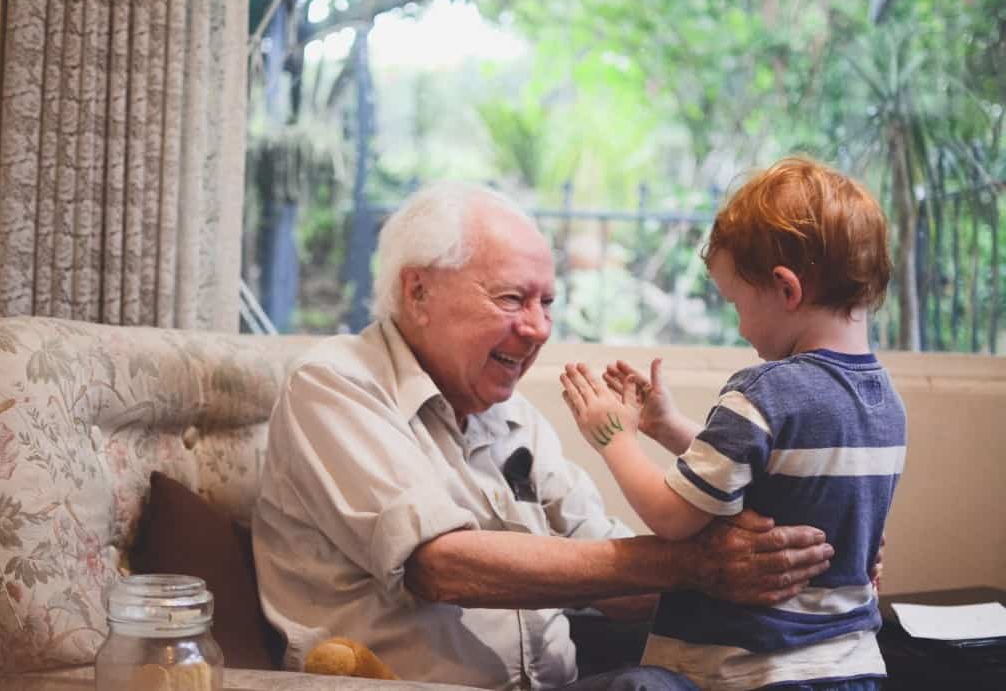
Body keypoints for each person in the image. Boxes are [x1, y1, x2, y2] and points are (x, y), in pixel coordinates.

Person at [251, 180, 836, 691]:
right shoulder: (335, 383)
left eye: (547, 303)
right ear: (418, 292)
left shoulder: (515, 418)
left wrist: (785, 560)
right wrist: (695, 563)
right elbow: (440, 566)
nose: (537, 329)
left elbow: (623, 582)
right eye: (511, 298)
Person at [560, 156, 905, 690]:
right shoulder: (885, 406)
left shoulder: (765, 390)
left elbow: (673, 519)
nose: (741, 324)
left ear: (787, 290)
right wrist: (670, 427)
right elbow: (770, 477)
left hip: (751, 672)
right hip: (851, 667)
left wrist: (615, 437)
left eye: (737, 303)